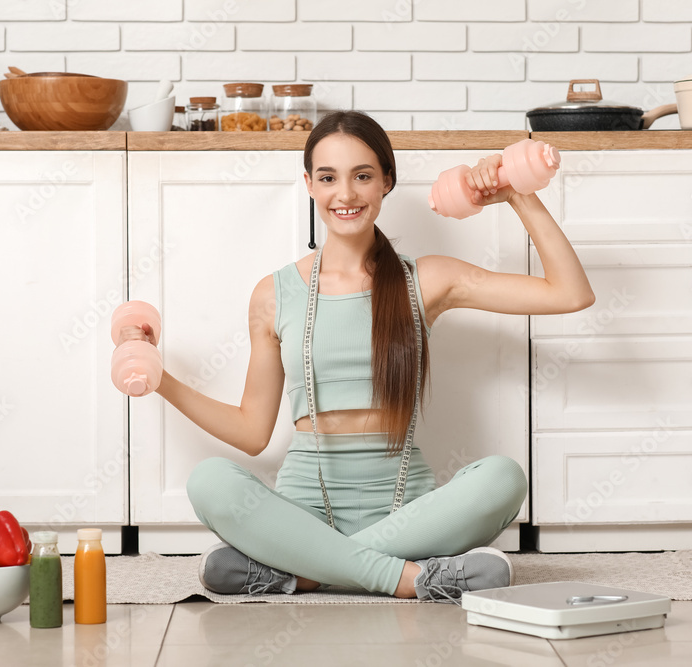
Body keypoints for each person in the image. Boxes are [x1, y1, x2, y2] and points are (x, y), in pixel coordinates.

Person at [119, 111, 594, 602]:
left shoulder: (426, 279)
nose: (345, 195)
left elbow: (570, 293)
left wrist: (517, 194)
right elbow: (251, 432)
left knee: (503, 478)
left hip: (407, 512)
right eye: (328, 178)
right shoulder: (273, 293)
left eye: (362, 176)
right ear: (309, 184)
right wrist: (160, 378)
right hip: (305, 511)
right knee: (210, 481)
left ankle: (304, 572)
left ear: (387, 180)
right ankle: (410, 579)